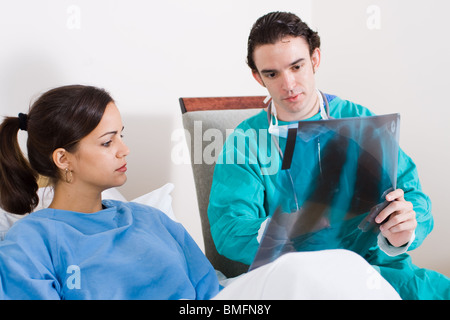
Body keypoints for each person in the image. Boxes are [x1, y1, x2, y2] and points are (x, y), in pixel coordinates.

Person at [0, 84, 401, 300]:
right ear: (63, 159)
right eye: (107, 143)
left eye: (122, 136)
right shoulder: (30, 243)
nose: (124, 149)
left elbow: (212, 291)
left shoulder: (150, 219)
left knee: (336, 267)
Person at [208, 11, 450, 300]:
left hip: (377, 270)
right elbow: (228, 227)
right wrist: (283, 229)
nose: (288, 84)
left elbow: (412, 196)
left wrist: (401, 233)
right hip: (298, 277)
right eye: (272, 74)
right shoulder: (245, 143)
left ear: (315, 59)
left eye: (296, 66)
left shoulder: (360, 122)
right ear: (258, 77)